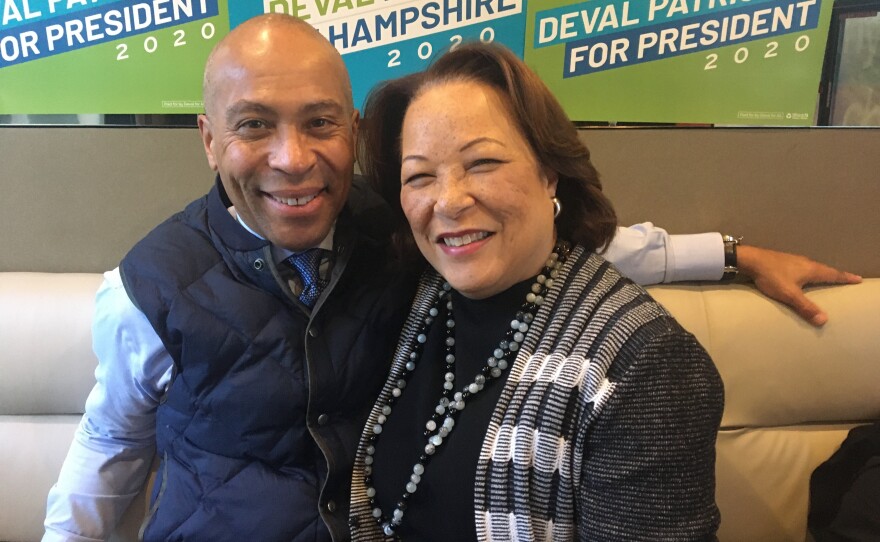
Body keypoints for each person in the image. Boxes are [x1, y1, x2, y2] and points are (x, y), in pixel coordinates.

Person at [42, 14, 859, 542]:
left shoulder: (402, 233)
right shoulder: (148, 285)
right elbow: (108, 445)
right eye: (254, 126)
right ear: (210, 140)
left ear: (352, 127)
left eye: (320, 123)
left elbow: (569, 246)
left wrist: (727, 251)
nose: (292, 158)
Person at [347, 43, 723, 540]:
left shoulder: (647, 365)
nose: (449, 201)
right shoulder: (418, 295)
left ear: (549, 172)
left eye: (481, 162)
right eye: (419, 176)